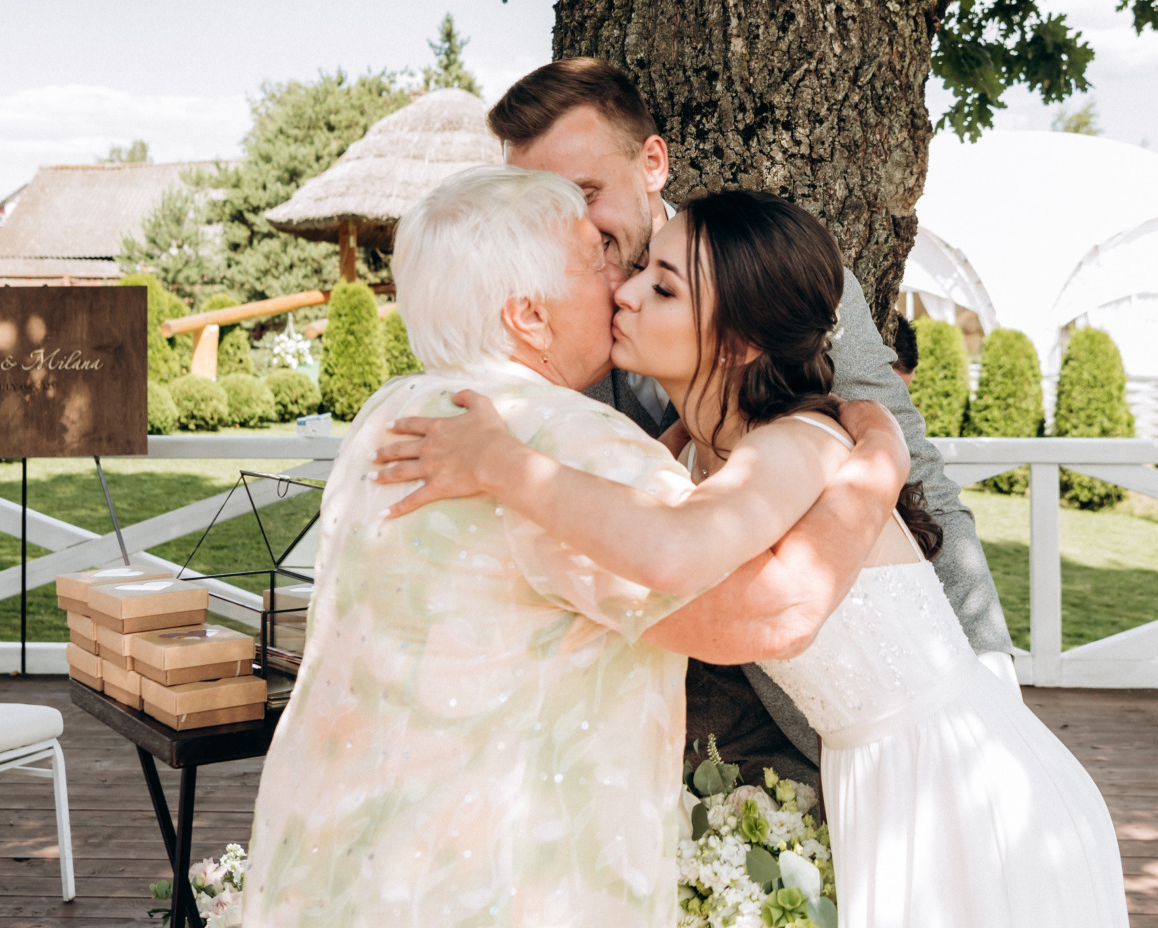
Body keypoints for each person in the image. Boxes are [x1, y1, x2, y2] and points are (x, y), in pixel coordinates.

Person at [385, 191, 1130, 927]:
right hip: (876, 779)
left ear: (738, 341)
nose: (627, 292)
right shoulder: (707, 451)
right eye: (642, 269)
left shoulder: (791, 442)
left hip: (952, 785)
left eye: (663, 287)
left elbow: (675, 550)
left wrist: (504, 466)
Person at [242, 168, 911, 927]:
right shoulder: (571, 443)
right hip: (497, 880)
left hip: (341, 857)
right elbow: (767, 615)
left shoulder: (390, 412)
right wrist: (881, 459)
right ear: (528, 315)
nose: (622, 279)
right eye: (598, 256)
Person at [374, 58, 1016, 792]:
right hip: (668, 712)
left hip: (857, 700)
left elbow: (908, 467)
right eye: (549, 202)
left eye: (587, 193)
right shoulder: (549, 305)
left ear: (651, 162)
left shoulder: (768, 274)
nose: (579, 227)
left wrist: (985, 665)